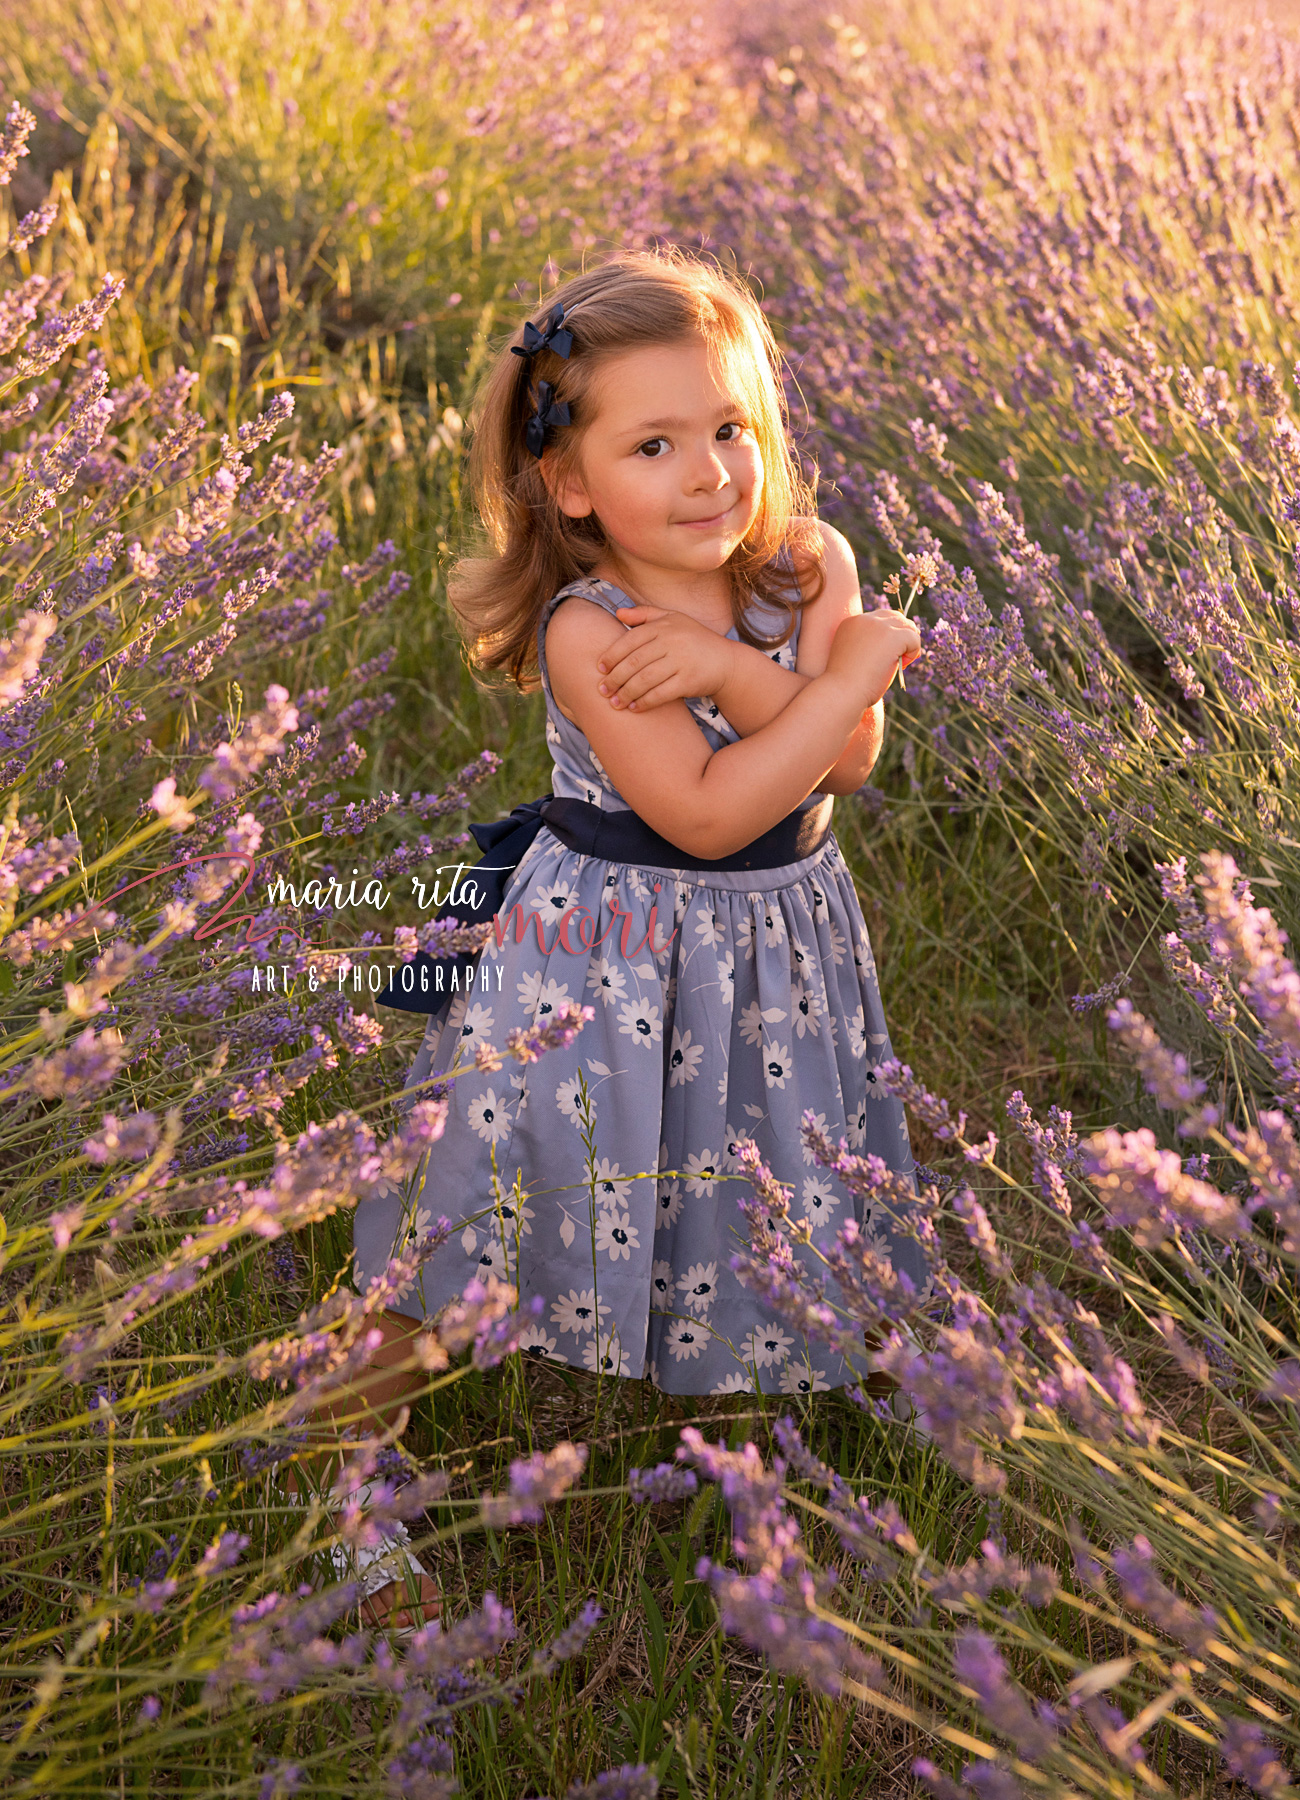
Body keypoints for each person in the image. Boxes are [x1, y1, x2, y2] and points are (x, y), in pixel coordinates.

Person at [336, 247, 924, 1624]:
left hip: (775, 960)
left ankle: (833, 1388)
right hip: (597, 967)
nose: (710, 470)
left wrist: (756, 667)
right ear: (573, 482)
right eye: (656, 443)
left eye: (731, 427)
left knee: (757, 1162)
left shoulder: (804, 565)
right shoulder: (593, 634)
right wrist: (816, 677)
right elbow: (713, 813)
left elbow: (848, 765)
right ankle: (343, 1465)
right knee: (482, 1219)